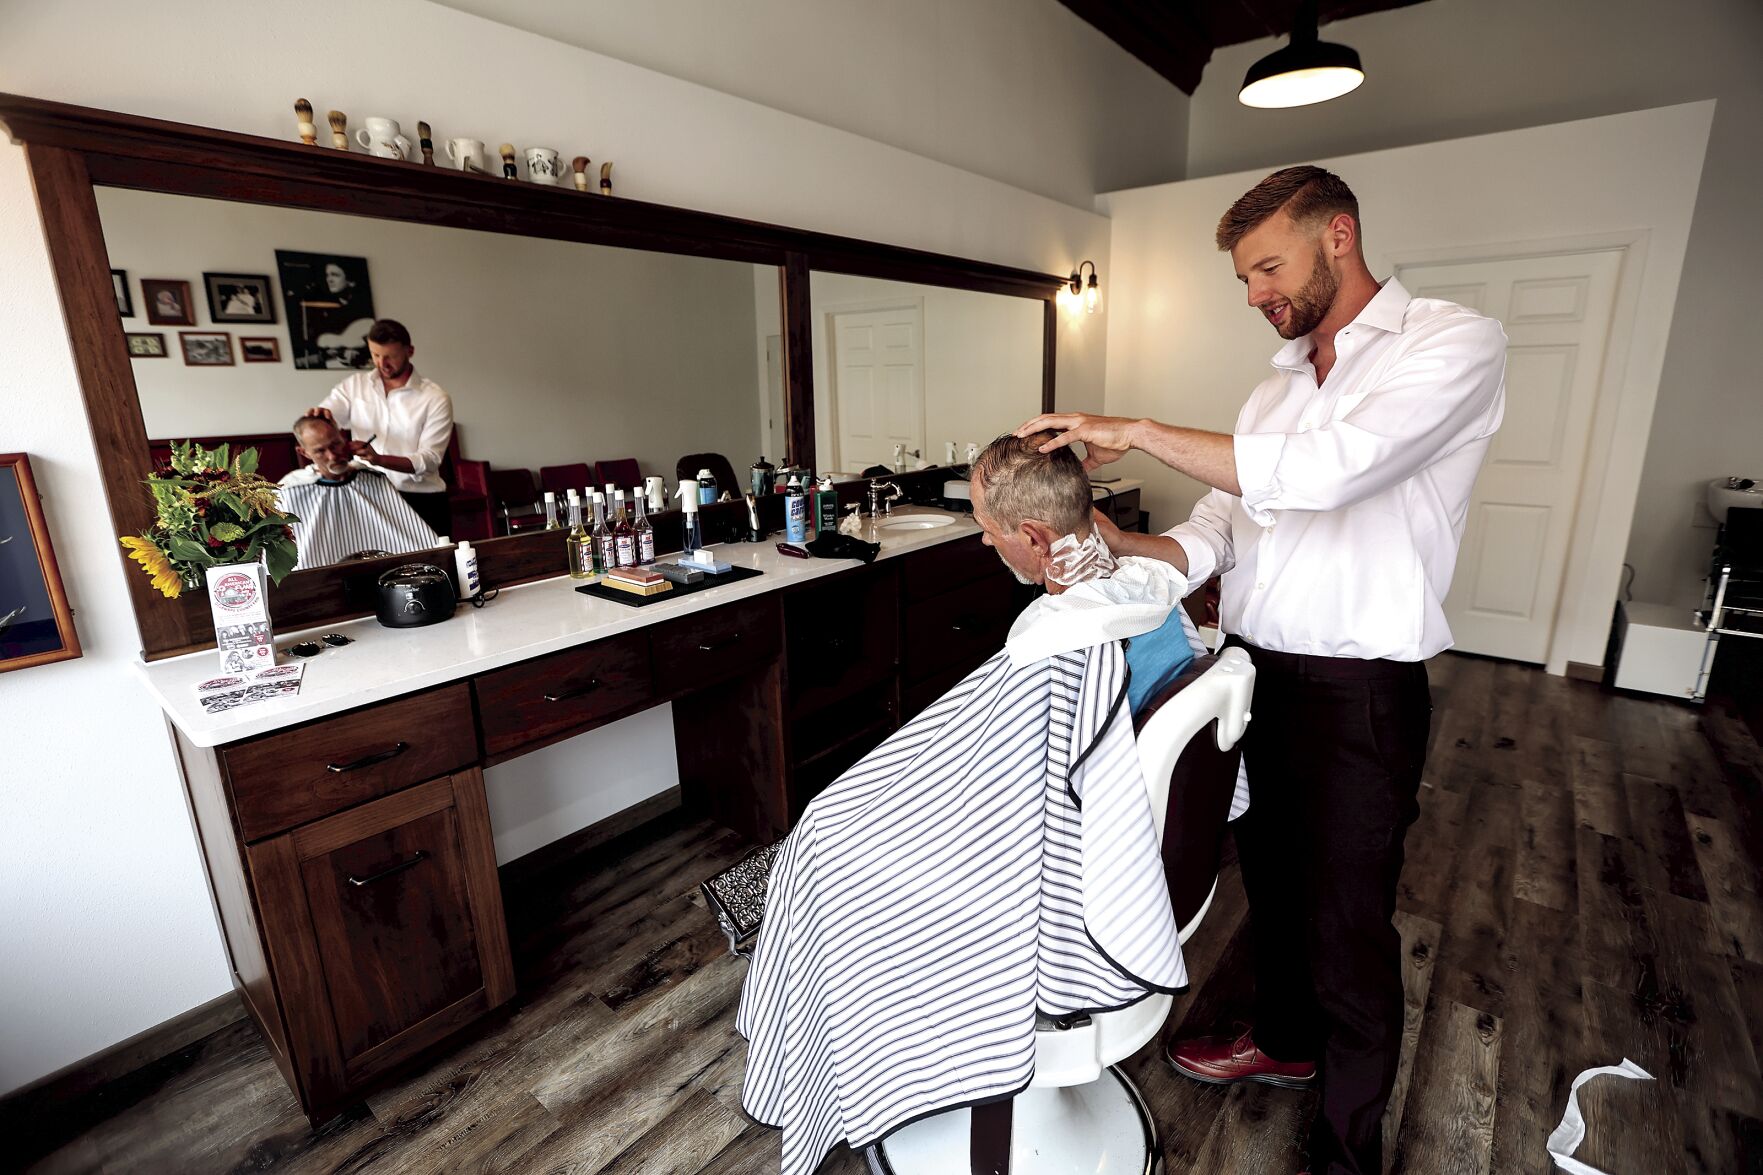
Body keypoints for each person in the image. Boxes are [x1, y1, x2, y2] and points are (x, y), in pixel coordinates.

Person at [1016, 165, 1506, 1175]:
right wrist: (1104, 536)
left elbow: (1333, 471)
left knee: (1347, 921)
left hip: (1358, 691)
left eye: (1266, 268)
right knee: (1274, 891)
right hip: (1251, 675)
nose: (1254, 296)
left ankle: (1345, 1145)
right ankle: (1282, 1043)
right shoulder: (1272, 385)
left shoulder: (1447, 343)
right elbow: (1209, 542)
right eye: (1242, 279)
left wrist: (1139, 428)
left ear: (1338, 233)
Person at [740, 432, 1201, 1175]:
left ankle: (866, 1071)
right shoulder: (1141, 592)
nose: (988, 546)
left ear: (1033, 537)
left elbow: (1010, 798)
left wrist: (846, 819)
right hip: (1146, 845)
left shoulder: (1066, 637)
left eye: (989, 535)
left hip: (1075, 877)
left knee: (820, 845)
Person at [303, 318, 454, 535]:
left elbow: (429, 460)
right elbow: (327, 415)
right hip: (368, 495)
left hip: (419, 498)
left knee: (432, 567)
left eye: (390, 356)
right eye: (376, 355)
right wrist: (322, 417)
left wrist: (380, 459)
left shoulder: (435, 398)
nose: (382, 364)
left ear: (410, 351)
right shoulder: (353, 386)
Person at [279, 414, 440, 571]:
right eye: (320, 451)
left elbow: (415, 538)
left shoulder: (373, 478)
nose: (332, 456)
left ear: (343, 438)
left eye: (335, 444)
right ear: (303, 452)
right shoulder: (291, 491)